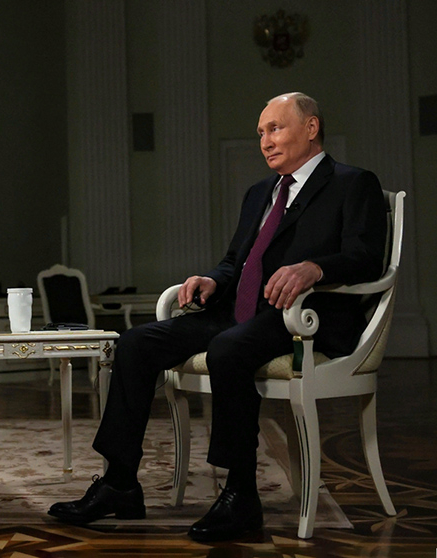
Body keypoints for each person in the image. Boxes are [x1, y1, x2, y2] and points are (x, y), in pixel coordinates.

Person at [48, 93, 387, 542]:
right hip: (238, 313)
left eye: (276, 128)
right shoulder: (260, 193)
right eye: (261, 133)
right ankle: (119, 483)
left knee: (228, 349)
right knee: (134, 343)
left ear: (311, 128)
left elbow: (367, 258)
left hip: (305, 317)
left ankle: (241, 495)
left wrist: (315, 268)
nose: (265, 141)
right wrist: (211, 279)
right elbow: (236, 262)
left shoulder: (352, 183)